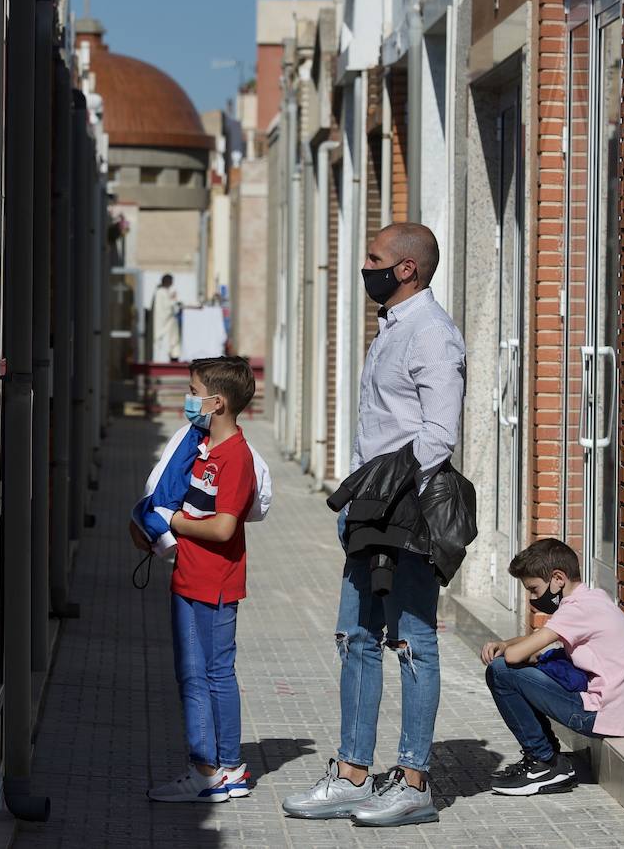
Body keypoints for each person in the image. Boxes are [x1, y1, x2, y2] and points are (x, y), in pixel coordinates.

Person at [283, 222, 466, 828]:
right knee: (354, 637)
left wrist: (386, 485)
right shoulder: (390, 327)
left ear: (406, 269)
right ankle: (352, 774)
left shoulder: (432, 333)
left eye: (374, 258)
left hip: (408, 510)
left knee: (412, 642)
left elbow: (439, 433)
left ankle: (413, 783)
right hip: (369, 509)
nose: (366, 268)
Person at [129, 356, 259, 802]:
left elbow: (223, 527)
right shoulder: (201, 448)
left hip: (214, 583)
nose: (188, 399)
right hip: (188, 576)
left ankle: (209, 771)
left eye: (193, 392)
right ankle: (227, 769)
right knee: (199, 674)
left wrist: (176, 523)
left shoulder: (235, 457)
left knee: (207, 675)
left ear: (216, 403)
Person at [479, 538, 624, 795]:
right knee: (521, 667)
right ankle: (546, 758)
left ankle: (544, 762)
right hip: (617, 713)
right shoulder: (593, 598)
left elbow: (513, 657)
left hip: (601, 715)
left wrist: (508, 649)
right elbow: (533, 644)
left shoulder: (576, 610)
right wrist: (505, 643)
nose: (533, 598)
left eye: (534, 589)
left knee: (501, 671)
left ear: (558, 578)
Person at [151, 273, 181, 363]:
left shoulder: (163, 291)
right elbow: (166, 306)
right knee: (166, 341)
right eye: (171, 281)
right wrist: (173, 299)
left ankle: (173, 357)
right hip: (164, 322)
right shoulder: (161, 292)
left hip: (168, 321)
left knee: (172, 340)